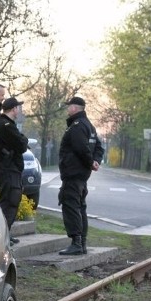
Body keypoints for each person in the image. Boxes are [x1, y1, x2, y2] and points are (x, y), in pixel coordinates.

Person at [57, 96, 104, 255]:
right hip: (82, 174)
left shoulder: (76, 126)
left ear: (75, 108)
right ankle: (82, 243)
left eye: (69, 106)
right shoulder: (89, 126)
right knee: (80, 206)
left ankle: (76, 242)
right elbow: (99, 147)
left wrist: (91, 161)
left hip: (73, 172)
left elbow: (80, 148)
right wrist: (96, 161)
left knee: (71, 205)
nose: (67, 109)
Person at [0, 97, 28, 244]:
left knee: (8, 200)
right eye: (18, 108)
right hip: (8, 169)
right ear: (13, 109)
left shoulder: (1, 124)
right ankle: (2, 236)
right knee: (10, 201)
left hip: (6, 168)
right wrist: (23, 140)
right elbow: (21, 145)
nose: (19, 110)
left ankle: (5, 233)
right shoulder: (6, 125)